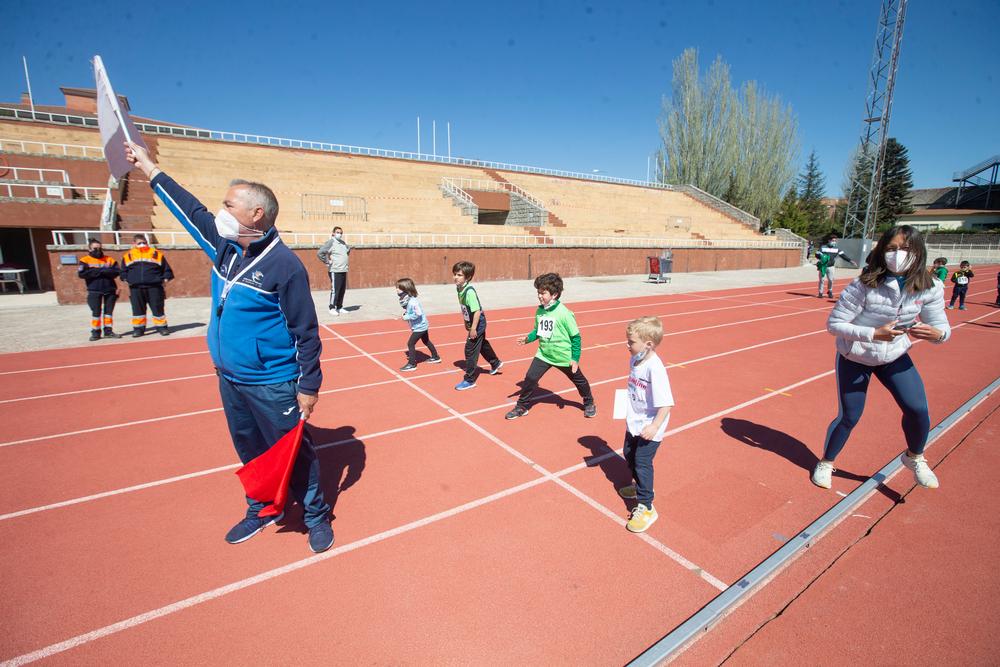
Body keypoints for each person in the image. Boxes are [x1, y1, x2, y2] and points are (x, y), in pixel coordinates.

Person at [124, 141, 334, 554]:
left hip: (272, 381)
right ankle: (262, 508)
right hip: (230, 379)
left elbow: (306, 331)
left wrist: (309, 384)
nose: (220, 211)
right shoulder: (223, 249)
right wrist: (150, 168)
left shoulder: (284, 266)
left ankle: (315, 515)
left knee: (294, 451)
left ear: (256, 213)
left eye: (229, 204)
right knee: (250, 450)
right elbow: (190, 211)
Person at [812, 225, 950, 491]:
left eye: (906, 249)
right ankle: (826, 462)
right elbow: (834, 325)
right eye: (892, 249)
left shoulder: (930, 287)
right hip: (856, 356)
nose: (898, 255)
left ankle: (915, 457)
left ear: (919, 252)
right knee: (850, 416)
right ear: (882, 251)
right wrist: (873, 333)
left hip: (894, 355)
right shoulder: (863, 285)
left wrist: (937, 334)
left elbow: (941, 327)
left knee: (918, 409)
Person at [506, 273, 596, 419]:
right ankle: (521, 406)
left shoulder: (565, 313)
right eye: (538, 292)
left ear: (554, 294)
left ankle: (589, 402)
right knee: (530, 378)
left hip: (563, 356)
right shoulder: (540, 310)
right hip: (544, 354)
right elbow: (539, 331)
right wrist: (528, 338)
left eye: (543, 293)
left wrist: (575, 358)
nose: (539, 296)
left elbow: (576, 337)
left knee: (579, 380)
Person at [618, 316, 674, 533]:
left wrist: (654, 427)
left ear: (648, 344)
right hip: (634, 421)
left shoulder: (656, 369)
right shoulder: (635, 359)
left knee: (642, 462)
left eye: (631, 342)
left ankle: (647, 506)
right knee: (628, 454)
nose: (627, 345)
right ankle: (637, 486)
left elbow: (666, 404)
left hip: (650, 426)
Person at [453, 260, 502, 390]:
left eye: (459, 275)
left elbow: (477, 311)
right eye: (455, 274)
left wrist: (473, 328)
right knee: (481, 344)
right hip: (473, 322)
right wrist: (466, 322)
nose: (455, 277)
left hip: (478, 322)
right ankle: (495, 362)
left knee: (470, 349)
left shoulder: (469, 292)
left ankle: (469, 380)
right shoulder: (459, 288)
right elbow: (465, 308)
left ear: (468, 277)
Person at [121, 234, 174, 337]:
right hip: (136, 288)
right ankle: (138, 330)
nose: (142, 244)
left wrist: (165, 279)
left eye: (144, 242)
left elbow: (167, 270)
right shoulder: (128, 256)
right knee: (137, 310)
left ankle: (162, 328)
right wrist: (126, 279)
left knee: (158, 308)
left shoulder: (156, 254)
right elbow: (123, 271)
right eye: (139, 243)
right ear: (134, 244)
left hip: (154, 287)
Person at [77, 238, 122, 341]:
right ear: (89, 249)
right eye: (95, 248)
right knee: (96, 313)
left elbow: (116, 272)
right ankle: (95, 333)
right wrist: (102, 270)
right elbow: (82, 274)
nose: (98, 250)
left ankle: (108, 331)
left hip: (110, 289)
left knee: (108, 312)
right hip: (94, 290)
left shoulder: (109, 259)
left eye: (99, 248)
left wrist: (96, 271)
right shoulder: (84, 260)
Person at [397, 277, 441, 371]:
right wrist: (406, 313)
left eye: (399, 288)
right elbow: (411, 311)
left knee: (410, 344)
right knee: (426, 341)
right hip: (421, 325)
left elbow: (418, 313)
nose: (396, 290)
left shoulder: (413, 302)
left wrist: (406, 317)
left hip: (420, 327)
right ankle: (435, 357)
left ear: (406, 289)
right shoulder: (409, 299)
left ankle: (412, 364)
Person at [317, 226, 350, 315]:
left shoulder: (343, 243)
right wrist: (327, 261)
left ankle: (339, 307)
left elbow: (347, 250)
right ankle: (332, 307)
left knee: (342, 289)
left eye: (341, 233)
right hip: (335, 270)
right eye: (338, 232)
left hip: (343, 269)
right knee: (335, 289)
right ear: (333, 233)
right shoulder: (331, 242)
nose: (339, 234)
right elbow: (320, 253)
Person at [815, 234, 859, 298]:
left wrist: (850, 261)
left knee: (831, 280)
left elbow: (843, 256)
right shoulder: (823, 247)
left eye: (835, 241)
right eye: (833, 240)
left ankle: (830, 291)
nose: (834, 242)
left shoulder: (837, 249)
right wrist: (820, 256)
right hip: (823, 266)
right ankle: (820, 292)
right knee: (822, 280)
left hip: (831, 266)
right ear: (829, 240)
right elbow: (817, 255)